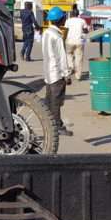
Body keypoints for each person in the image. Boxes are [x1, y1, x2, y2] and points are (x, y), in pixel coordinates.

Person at [42, 7, 72, 136]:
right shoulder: (57, 36)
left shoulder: (47, 33)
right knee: (56, 102)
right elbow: (61, 57)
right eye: (64, 17)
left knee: (49, 100)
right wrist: (66, 74)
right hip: (56, 73)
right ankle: (57, 126)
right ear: (61, 19)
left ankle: (50, 123)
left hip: (48, 72)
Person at [64, 7, 87, 80]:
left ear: (71, 14)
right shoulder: (82, 21)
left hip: (69, 41)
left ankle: (71, 66)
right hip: (79, 41)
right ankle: (78, 76)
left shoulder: (68, 21)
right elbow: (86, 30)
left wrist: (63, 38)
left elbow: (65, 31)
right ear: (78, 14)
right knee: (79, 58)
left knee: (69, 54)